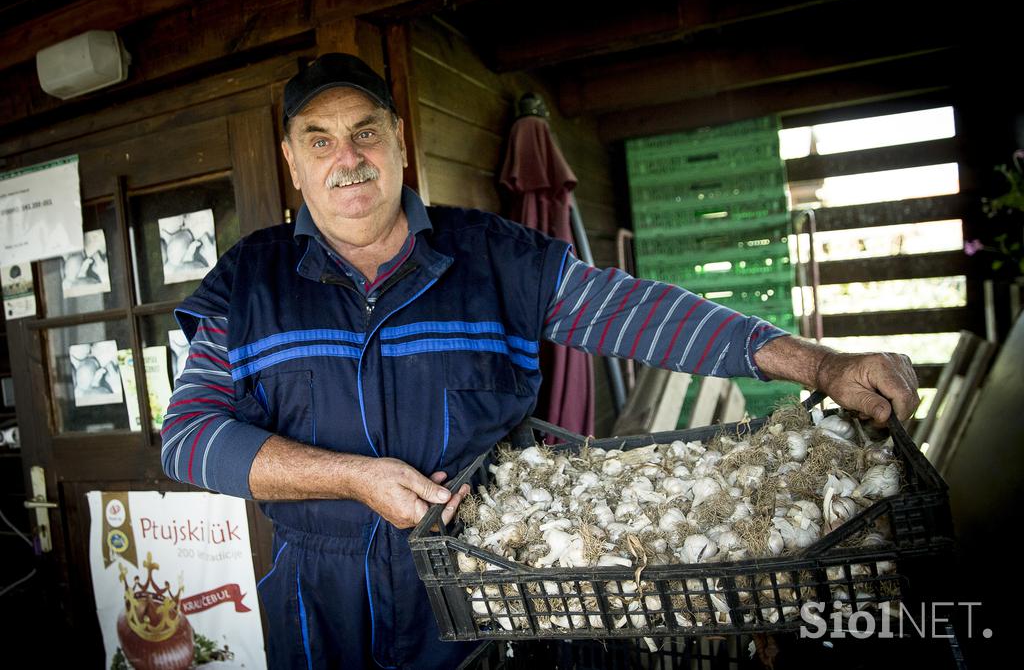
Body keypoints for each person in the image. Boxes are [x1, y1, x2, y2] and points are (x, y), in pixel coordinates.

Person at [161, 53, 919, 669]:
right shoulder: (247, 283)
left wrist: (819, 367)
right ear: (293, 161)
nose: (347, 158)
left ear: (398, 139)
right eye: (320, 140)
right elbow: (188, 437)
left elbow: (640, 313)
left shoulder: (497, 257)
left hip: (490, 596)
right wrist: (352, 478)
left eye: (365, 132)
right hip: (318, 606)